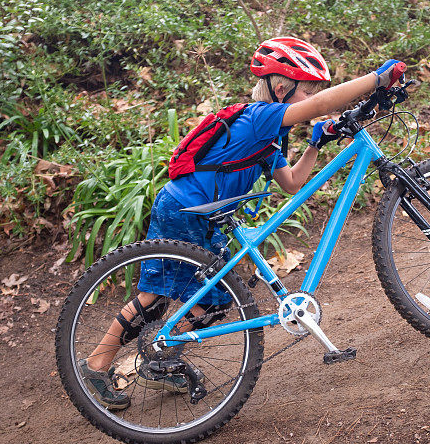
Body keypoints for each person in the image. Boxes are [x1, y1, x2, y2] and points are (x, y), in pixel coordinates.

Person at [79, 36, 404, 409]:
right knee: (155, 296)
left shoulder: (269, 137)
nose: (311, 102)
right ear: (281, 88)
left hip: (207, 216)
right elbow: (323, 104)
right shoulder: (258, 118)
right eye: (307, 92)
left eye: (312, 93)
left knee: (212, 303)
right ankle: (97, 364)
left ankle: (160, 358)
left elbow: (292, 183)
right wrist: (376, 80)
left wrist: (315, 143)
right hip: (185, 208)